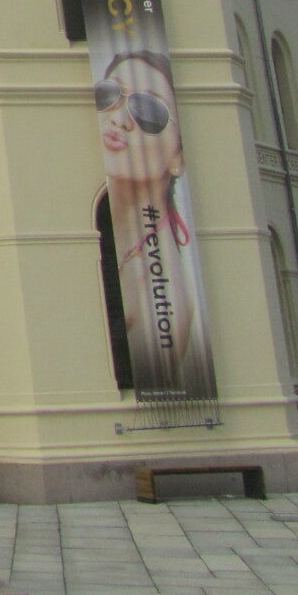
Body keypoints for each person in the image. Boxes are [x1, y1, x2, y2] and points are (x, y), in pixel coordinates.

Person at [96, 48, 213, 397]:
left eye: (148, 111)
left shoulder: (164, 295)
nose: (119, 119)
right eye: (110, 95)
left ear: (179, 157)